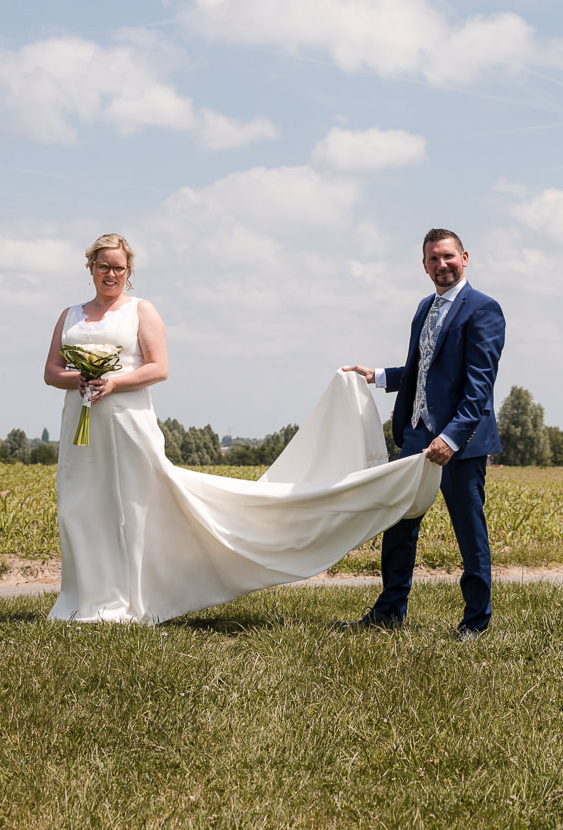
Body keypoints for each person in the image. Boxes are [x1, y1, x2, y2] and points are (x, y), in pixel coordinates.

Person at [42, 233, 441, 624]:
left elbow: (158, 367)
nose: (110, 274)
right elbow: (51, 372)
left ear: (128, 272)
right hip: (82, 422)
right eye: (102, 266)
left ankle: (134, 597)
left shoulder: (140, 310)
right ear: (90, 268)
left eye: (118, 268)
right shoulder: (70, 314)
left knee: (134, 505)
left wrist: (112, 382)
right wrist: (79, 378)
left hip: (126, 422)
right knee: (82, 504)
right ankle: (82, 598)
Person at [341, 229, 505, 639]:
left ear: (465, 257)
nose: (442, 265)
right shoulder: (423, 308)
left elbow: (479, 385)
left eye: (448, 256)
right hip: (415, 437)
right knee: (398, 526)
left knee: (469, 531)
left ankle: (476, 621)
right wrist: (377, 375)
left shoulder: (484, 309)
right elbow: (422, 371)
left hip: (459, 445)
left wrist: (451, 438)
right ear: (424, 264)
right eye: (433, 259)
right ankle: (389, 612)